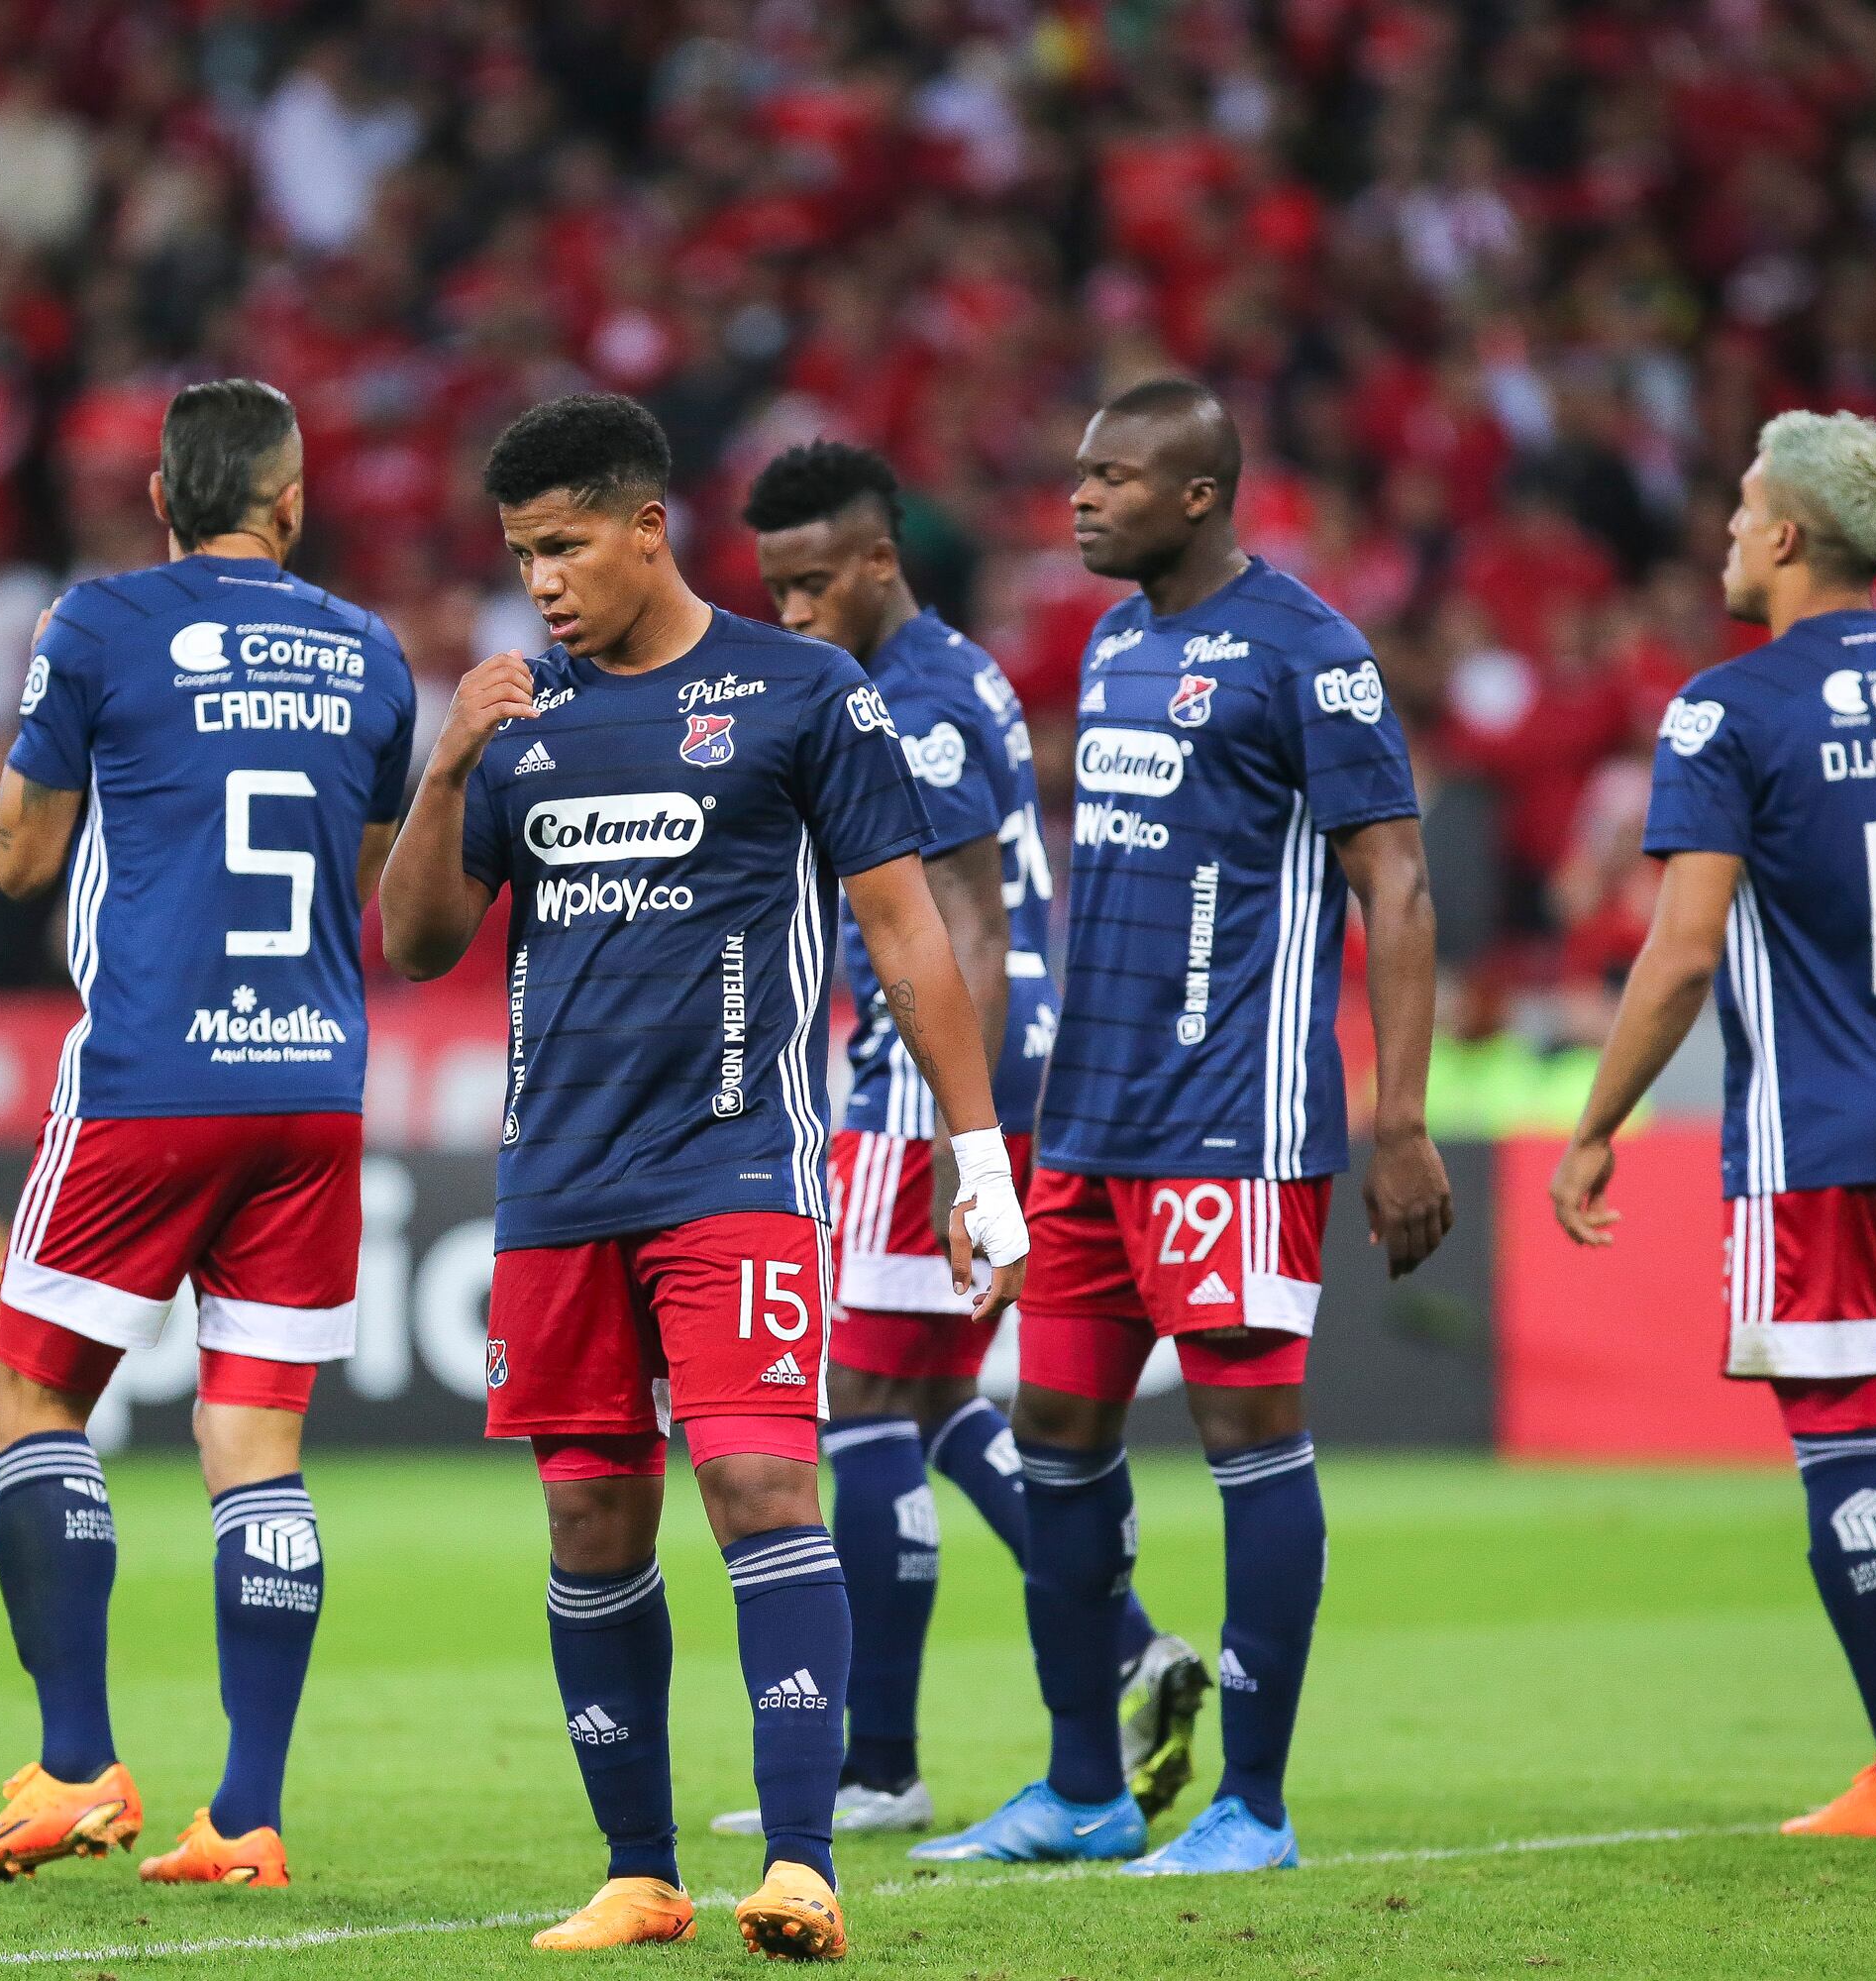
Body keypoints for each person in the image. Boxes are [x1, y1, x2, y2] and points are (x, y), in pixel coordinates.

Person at [378, 394, 1028, 1960]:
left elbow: (905, 927)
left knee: (756, 1484)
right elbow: (411, 946)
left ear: (648, 526)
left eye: (565, 545)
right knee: (590, 1521)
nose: (538, 581)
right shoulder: (518, 717)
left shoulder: (802, 693)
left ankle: (802, 1861)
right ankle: (639, 1871)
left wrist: (976, 1147)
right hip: (554, 1188)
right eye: (520, 552)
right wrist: (450, 764)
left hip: (735, 1168)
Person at [920, 378, 1451, 1874]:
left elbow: (1395, 884)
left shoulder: (1310, 653)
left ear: (1200, 494)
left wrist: (1395, 1120)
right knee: (1055, 1437)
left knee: (1247, 1436)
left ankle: (1256, 1807)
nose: (1079, 500)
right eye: (1079, 473)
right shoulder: (1116, 642)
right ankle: (1085, 1787)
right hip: (1088, 1123)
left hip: (1237, 1120)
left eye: (1114, 478)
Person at [0, 379, 415, 1889]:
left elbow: (18, 858)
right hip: (315, 1088)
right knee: (254, 1449)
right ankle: (249, 1815)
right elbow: (385, 879)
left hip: (152, 1078)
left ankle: (77, 1767)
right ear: (291, 502)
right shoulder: (374, 649)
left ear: (160, 498)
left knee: (31, 1398)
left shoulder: (96, 621)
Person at [1549, 410, 1876, 1838]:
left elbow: (1683, 952)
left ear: (1784, 537)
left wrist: (1596, 1124)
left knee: (1840, 1440)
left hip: (1815, 1140)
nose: (1722, 531)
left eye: (1738, 507)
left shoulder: (1728, 709)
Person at [717, 440, 1205, 1842]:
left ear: (882, 560)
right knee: (934, 1403)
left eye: (814, 584)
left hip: (922, 1074)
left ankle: (877, 1768)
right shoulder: (950, 673)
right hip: (988, 1063)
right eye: (776, 590)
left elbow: (966, 926)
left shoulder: (915, 705)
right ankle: (1127, 1647)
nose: (796, 614)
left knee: (857, 1407)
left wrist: (953, 1126)